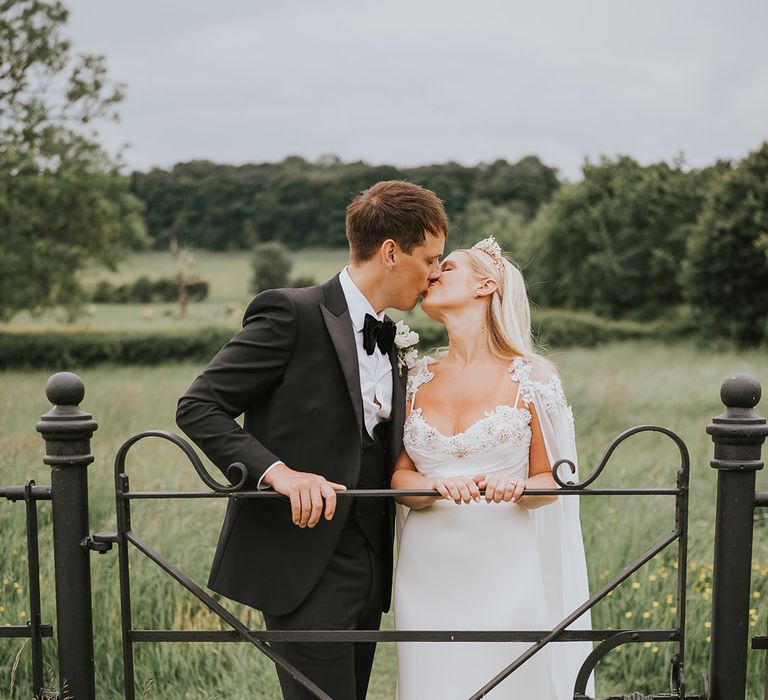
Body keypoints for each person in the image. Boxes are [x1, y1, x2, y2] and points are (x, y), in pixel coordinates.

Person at [175, 180, 447, 700]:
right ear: (391, 252)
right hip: (301, 561)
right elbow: (198, 406)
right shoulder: (290, 313)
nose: (436, 272)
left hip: (371, 564)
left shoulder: (392, 338)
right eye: (431, 258)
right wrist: (278, 473)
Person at [392, 236, 594, 699]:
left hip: (504, 567)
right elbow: (399, 478)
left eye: (449, 267)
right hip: (427, 572)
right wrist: (431, 486)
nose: (433, 274)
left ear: (485, 286)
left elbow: (555, 483)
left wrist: (519, 485)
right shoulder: (416, 376)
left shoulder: (532, 378)